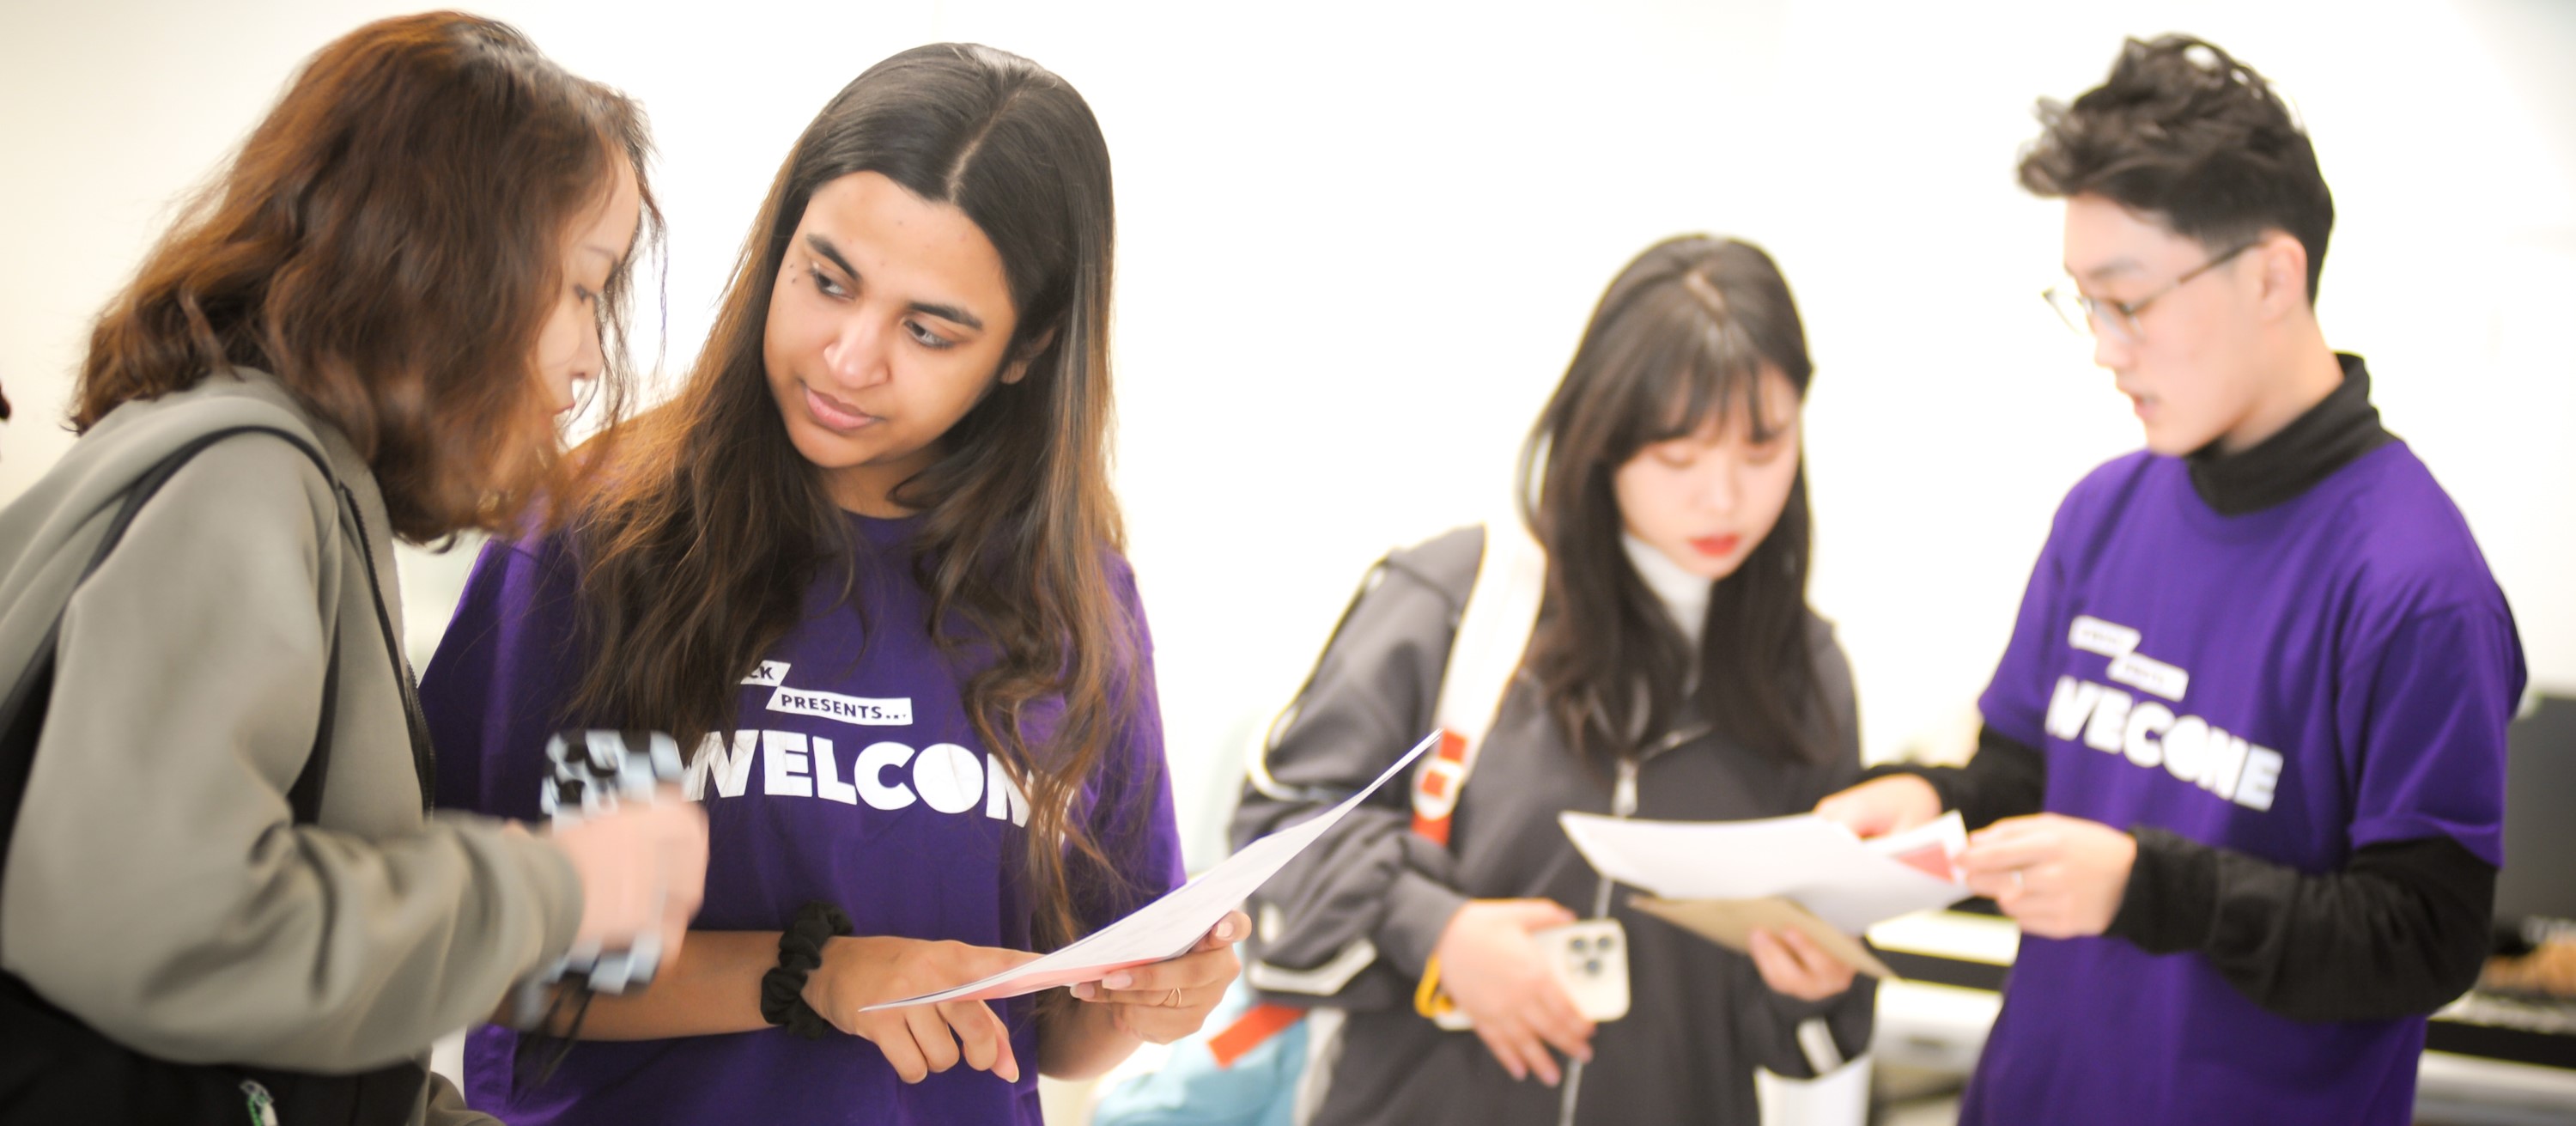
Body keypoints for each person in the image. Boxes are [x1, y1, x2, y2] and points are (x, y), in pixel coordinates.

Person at [420, 41, 1246, 1126]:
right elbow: (476, 958)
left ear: (1025, 350)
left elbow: (1056, 1032)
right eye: (826, 281)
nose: (848, 359)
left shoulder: (1072, 598)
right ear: (779, 248)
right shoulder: (608, 535)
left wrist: (1156, 996)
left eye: (927, 330)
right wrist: (819, 976)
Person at [0, 13, 706, 1124]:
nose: (587, 355)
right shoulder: (246, 478)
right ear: (455, 266)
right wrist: (558, 888)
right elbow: (162, 926)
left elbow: (271, 1059)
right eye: (580, 286)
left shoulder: (261, 472)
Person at [1814, 35, 2522, 1125]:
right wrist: (1928, 807)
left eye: (2129, 301)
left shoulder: (2417, 587)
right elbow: (2025, 785)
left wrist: (2151, 887)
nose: (2103, 348)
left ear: (2273, 275)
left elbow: (2425, 941)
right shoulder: (2104, 511)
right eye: (2083, 302)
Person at [1231, 236, 1873, 1126]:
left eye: (1763, 450)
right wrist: (1440, 933)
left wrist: (1817, 988)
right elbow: (1276, 831)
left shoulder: (1806, 676)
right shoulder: (1459, 598)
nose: (1724, 498)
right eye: (1681, 458)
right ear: (1604, 439)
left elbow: (1801, 1046)